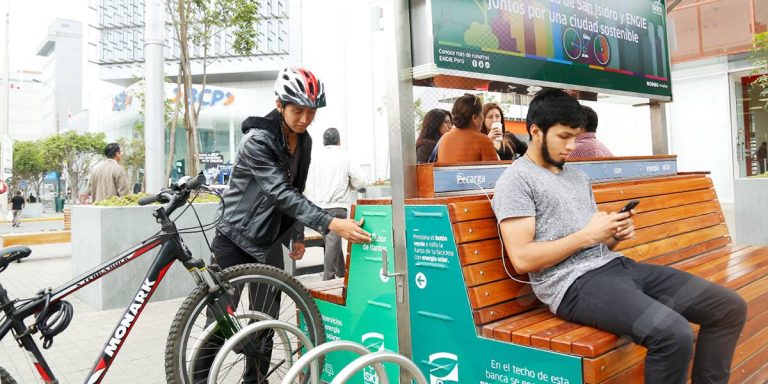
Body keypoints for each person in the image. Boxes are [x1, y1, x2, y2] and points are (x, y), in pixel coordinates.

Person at [492, 89, 746, 384]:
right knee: (673, 334)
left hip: (618, 267)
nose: (571, 146)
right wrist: (588, 235)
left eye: (575, 136)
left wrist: (613, 234)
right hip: (573, 286)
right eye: (563, 136)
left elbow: (594, 241)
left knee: (729, 308)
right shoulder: (516, 180)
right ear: (536, 131)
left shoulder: (576, 177)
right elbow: (523, 258)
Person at [204, 67, 371, 382]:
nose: (305, 119)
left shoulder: (304, 142)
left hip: (267, 243)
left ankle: (255, 380)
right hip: (235, 239)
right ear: (279, 104)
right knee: (220, 321)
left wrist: (294, 235)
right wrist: (330, 223)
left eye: (311, 112)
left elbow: (294, 189)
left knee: (267, 321)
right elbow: (278, 192)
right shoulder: (258, 140)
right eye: (298, 111)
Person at [305, 127, 369, 280]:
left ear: (323, 142)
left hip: (317, 206)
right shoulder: (344, 156)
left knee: (332, 241)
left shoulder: (315, 158)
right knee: (332, 242)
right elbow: (360, 181)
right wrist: (351, 186)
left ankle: (342, 275)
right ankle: (328, 279)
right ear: (339, 141)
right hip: (337, 206)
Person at [437, 94, 499, 163]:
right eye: (481, 114)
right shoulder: (483, 140)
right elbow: (494, 172)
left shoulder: (444, 138)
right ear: (474, 118)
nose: (483, 117)